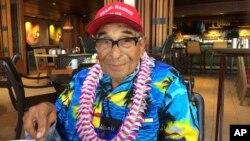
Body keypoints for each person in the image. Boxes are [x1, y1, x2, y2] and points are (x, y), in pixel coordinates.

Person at [23, 2, 199, 141]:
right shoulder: (80, 80)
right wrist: (48, 109)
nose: (114, 54)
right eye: (105, 41)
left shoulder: (167, 84)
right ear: (96, 45)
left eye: (126, 40)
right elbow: (55, 121)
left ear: (141, 44)